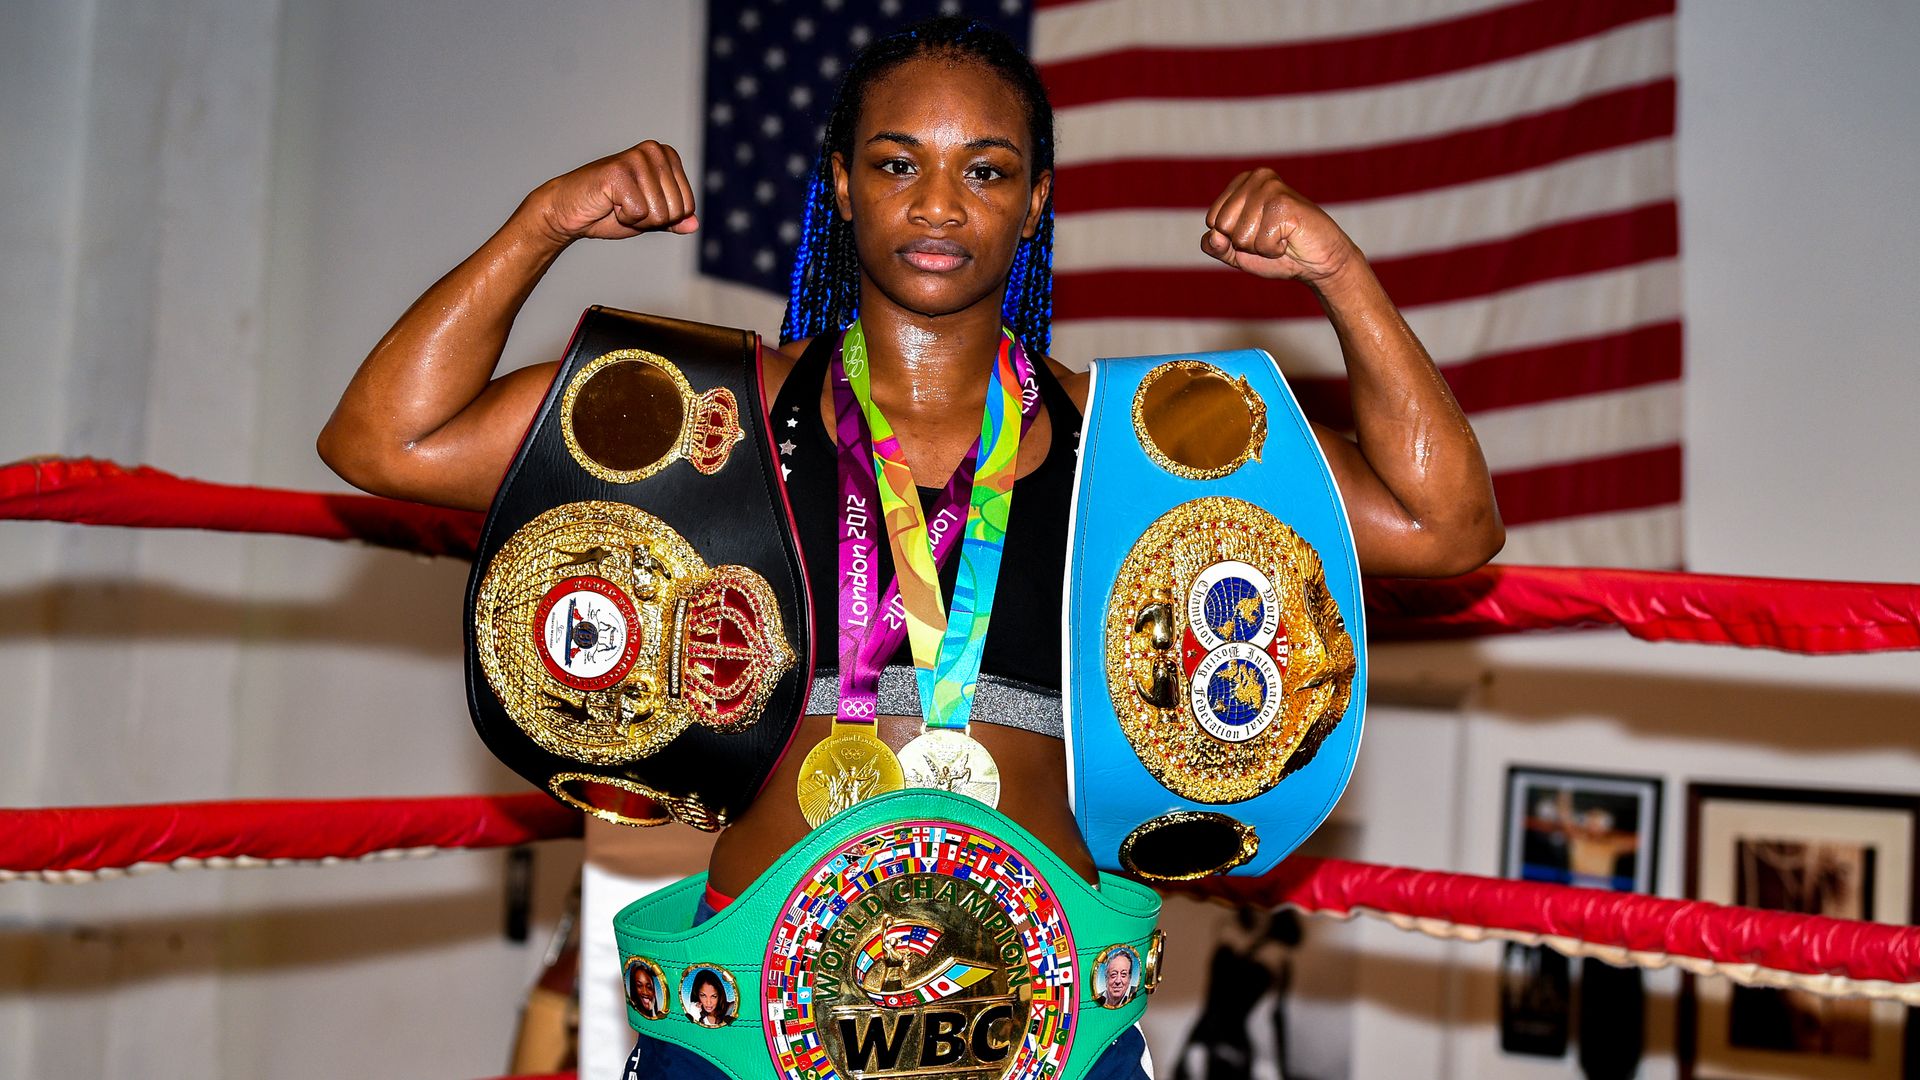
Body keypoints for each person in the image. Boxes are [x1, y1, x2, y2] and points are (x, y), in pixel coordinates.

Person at [319, 18, 1501, 1078]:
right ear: (839, 183)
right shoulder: (713, 420)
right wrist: (544, 225)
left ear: (1035, 199)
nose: (939, 205)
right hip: (751, 1035)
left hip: (1050, 1033)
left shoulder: (1126, 451)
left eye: (984, 171)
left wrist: (1341, 276)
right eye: (898, 164)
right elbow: (385, 438)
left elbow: (1448, 526)